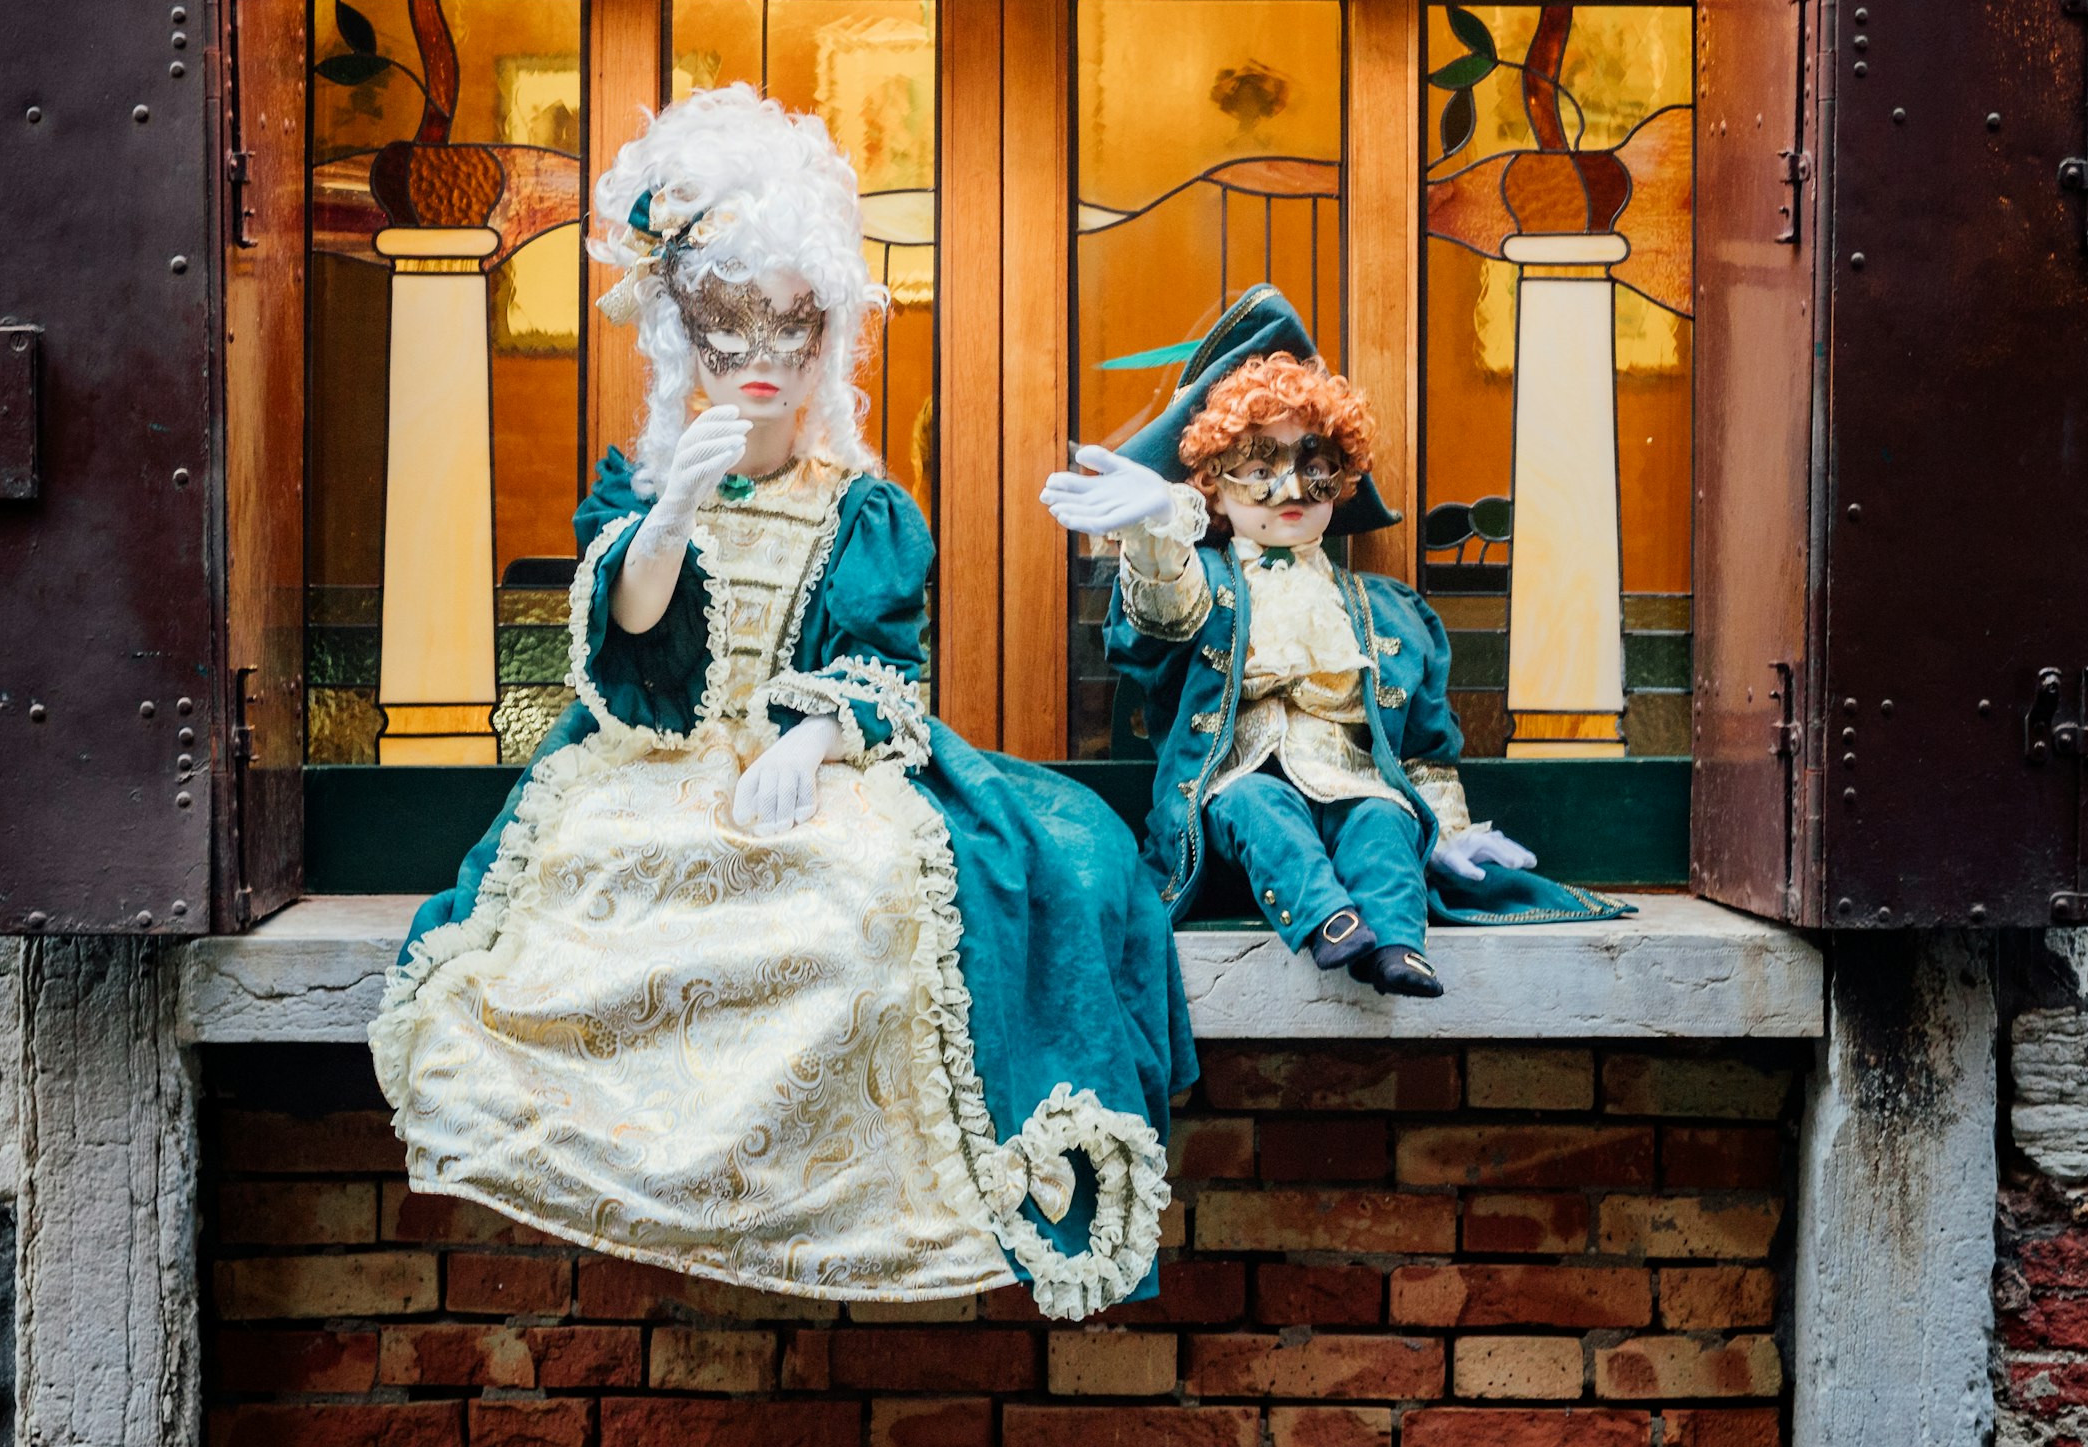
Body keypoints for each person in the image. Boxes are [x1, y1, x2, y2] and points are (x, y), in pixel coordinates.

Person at [372, 86, 1195, 1317]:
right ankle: (651, 1171)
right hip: (653, 759)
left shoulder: (865, 510)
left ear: (823, 347)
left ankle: (829, 1196)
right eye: (728, 340)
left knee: (865, 895)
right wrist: (670, 513)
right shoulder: (633, 490)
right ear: (686, 345)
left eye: (785, 339)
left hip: (814, 764)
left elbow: (880, 659)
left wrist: (815, 738)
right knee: (592, 886)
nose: (757, 367)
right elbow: (635, 642)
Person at [1044, 284, 1611, 997]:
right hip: (1234, 797)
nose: (1288, 488)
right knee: (1257, 806)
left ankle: (1399, 945)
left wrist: (1454, 832)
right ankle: (1328, 921)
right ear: (1214, 487)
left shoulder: (1391, 615)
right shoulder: (1208, 582)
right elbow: (1164, 615)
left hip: (1352, 783)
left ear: (1340, 483)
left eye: (1313, 467)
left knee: (1384, 818)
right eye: (1257, 466)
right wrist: (1158, 528)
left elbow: (1422, 754)